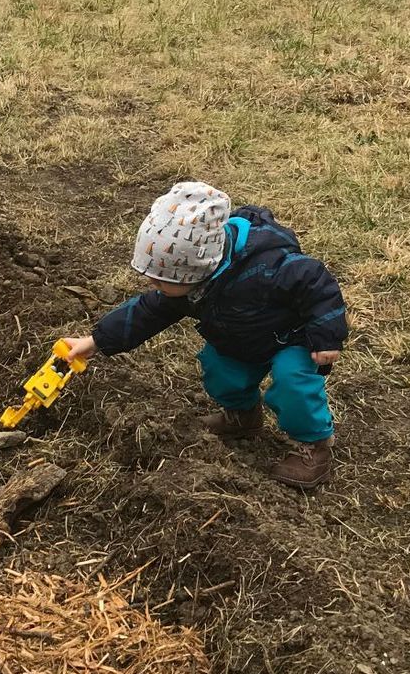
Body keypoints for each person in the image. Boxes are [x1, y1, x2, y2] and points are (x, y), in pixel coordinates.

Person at [60, 181, 347, 490]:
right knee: (218, 368)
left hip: (293, 339)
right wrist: (95, 341)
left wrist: (326, 336)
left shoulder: (270, 267)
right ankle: (242, 417)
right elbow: (145, 312)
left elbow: (319, 286)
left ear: (198, 268)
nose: (155, 287)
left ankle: (314, 446)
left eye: (161, 281)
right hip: (240, 338)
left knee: (293, 383)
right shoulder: (189, 285)